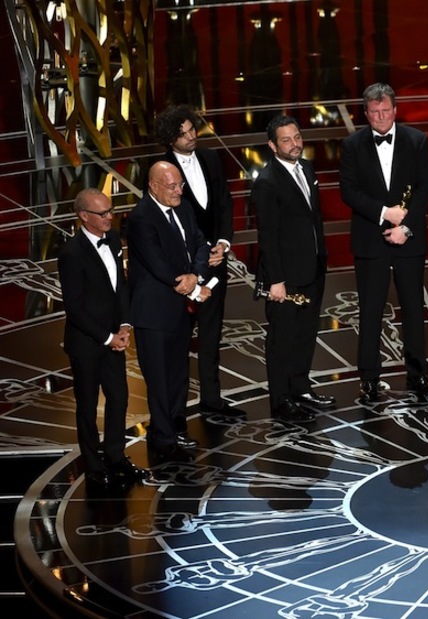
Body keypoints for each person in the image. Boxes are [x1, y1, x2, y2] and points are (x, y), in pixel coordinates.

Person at [339, 83, 428, 403]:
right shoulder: (352, 145)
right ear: (365, 113)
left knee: (412, 309)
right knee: (370, 311)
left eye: (386, 110)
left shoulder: (417, 141)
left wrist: (405, 226)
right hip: (370, 240)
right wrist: (385, 213)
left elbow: (425, 189)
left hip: (408, 240)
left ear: (395, 110)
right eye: (374, 112)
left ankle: (418, 376)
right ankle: (368, 379)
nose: (380, 117)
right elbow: (348, 191)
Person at [154, 104, 244, 419]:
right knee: (178, 343)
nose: (192, 137)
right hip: (184, 274)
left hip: (216, 265)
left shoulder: (210, 158)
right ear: (169, 139)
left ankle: (212, 399)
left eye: (193, 130)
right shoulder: (160, 170)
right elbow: (163, 227)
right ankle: (173, 414)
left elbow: (223, 202)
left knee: (211, 336)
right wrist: (202, 255)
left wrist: (223, 243)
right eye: (183, 134)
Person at [128, 161, 218, 464]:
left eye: (180, 184)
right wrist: (190, 285)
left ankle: (176, 428)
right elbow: (157, 264)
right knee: (160, 378)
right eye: (172, 186)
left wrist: (196, 275)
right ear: (153, 186)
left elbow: (199, 243)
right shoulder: (141, 218)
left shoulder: (184, 208)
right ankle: (163, 438)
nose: (179, 191)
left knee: (179, 375)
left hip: (180, 308)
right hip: (153, 313)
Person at [58, 188, 148, 488]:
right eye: (102, 213)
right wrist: (108, 337)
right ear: (84, 217)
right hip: (87, 342)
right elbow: (75, 308)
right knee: (86, 405)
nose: (110, 217)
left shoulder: (111, 239)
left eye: (109, 211)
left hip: (114, 337)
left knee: (119, 397)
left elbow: (120, 287)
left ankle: (116, 456)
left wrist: (124, 325)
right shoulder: (71, 253)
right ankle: (94, 467)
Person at [251, 115, 335, 421]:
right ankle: (281, 401)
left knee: (306, 333)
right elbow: (267, 237)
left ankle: (300, 388)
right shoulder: (267, 183)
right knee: (282, 340)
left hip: (312, 268)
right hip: (284, 278)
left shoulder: (307, 168)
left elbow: (313, 220)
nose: (294, 144)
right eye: (286, 140)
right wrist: (276, 280)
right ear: (272, 145)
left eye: (297, 137)